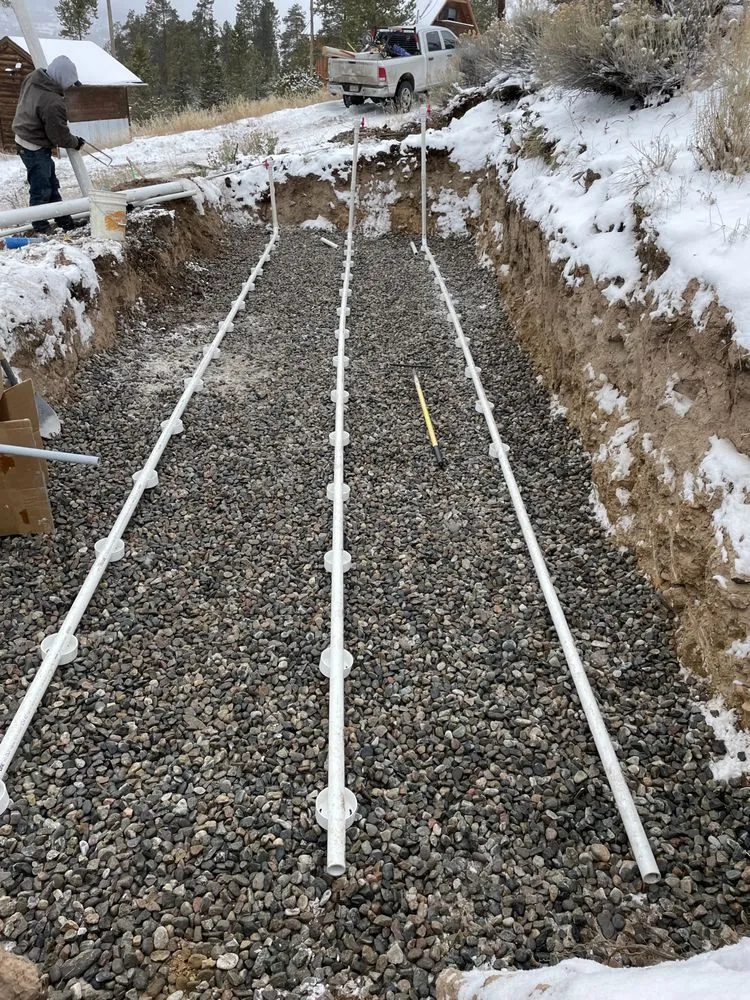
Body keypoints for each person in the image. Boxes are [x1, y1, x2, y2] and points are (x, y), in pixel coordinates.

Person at [12, 55, 87, 234]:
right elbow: (59, 136)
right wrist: (75, 142)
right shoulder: (53, 102)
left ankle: (65, 222)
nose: (68, 88)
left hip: (24, 135)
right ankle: (41, 228)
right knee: (42, 187)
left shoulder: (34, 77)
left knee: (51, 184)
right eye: (68, 83)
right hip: (33, 145)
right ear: (61, 78)